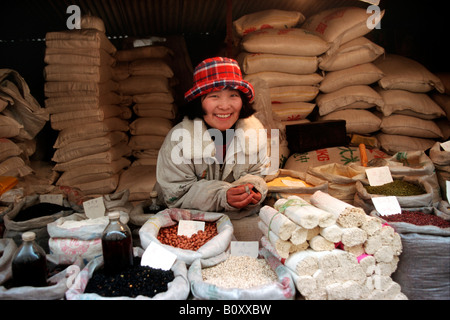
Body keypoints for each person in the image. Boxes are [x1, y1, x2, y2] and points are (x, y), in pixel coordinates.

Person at [154, 57, 270, 218]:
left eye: (233, 95)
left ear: (242, 102)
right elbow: (175, 195)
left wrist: (254, 189)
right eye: (214, 96)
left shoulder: (255, 134)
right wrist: (221, 196)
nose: (224, 105)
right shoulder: (179, 140)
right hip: (191, 222)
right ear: (198, 102)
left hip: (240, 217)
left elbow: (259, 173)